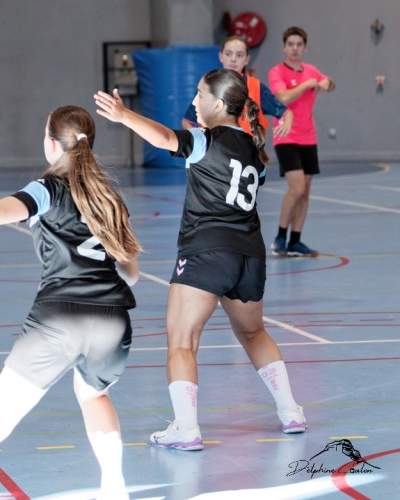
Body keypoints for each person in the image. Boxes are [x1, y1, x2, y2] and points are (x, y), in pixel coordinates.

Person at [0, 107, 141, 500]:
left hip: (60, 319)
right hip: (113, 320)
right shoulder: (110, 195)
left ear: (52, 144)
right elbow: (132, 273)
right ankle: (115, 488)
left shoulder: (46, 188)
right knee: (93, 394)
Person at [95, 70, 306, 453]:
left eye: (199, 94)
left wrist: (124, 115)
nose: (194, 101)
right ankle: (291, 411)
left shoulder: (204, 139)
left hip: (206, 251)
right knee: (254, 333)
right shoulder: (256, 153)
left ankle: (187, 428)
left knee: (181, 341)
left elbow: (164, 138)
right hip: (249, 256)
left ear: (219, 104)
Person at [267, 26, 335, 257]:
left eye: (299, 45)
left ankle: (295, 241)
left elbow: (329, 83)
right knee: (296, 187)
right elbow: (283, 97)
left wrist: (327, 83)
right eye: (290, 44)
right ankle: (280, 237)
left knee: (305, 191)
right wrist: (307, 84)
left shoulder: (312, 70)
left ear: (305, 48)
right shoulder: (277, 72)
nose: (294, 48)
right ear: (284, 48)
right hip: (286, 135)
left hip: (308, 136)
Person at [181, 35, 294, 140]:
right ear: (221, 56)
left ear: (247, 59)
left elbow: (286, 113)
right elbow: (187, 121)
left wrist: (286, 125)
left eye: (239, 55)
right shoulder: (208, 85)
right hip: (213, 151)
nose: (233, 59)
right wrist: (199, 142)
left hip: (246, 152)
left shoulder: (257, 88)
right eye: (228, 54)